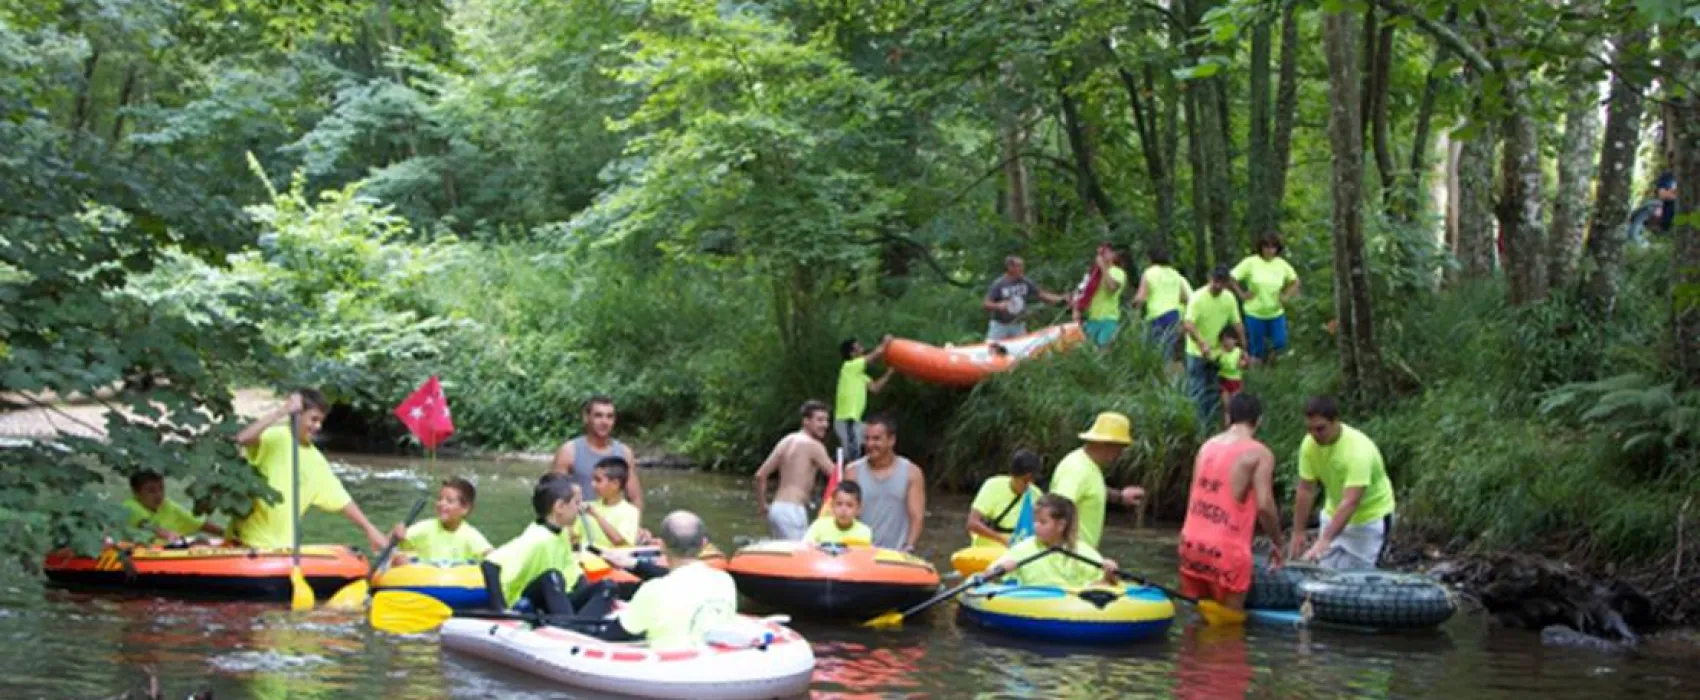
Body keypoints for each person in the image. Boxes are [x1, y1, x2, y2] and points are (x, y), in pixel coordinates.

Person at [231, 390, 387, 552]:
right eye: (313, 419)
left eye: (321, 421)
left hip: (283, 547)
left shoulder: (316, 460)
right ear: (298, 415)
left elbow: (343, 500)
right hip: (249, 542)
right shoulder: (273, 437)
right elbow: (242, 438)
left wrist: (369, 529)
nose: (318, 426)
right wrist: (283, 411)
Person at [1177, 393, 1285, 615]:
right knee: (1228, 625)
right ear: (1259, 420)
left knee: (1196, 618)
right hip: (1226, 550)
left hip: (1191, 544)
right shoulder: (1259, 453)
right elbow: (1264, 505)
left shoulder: (1206, 447)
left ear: (1228, 417)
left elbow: (1193, 495)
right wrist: (1277, 541)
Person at [482, 474, 616, 624]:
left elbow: (576, 577)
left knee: (607, 586)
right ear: (560, 507)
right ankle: (570, 626)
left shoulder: (562, 533)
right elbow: (489, 564)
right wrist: (501, 610)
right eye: (576, 503)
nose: (579, 509)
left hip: (560, 600)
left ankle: (583, 626)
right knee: (552, 577)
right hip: (529, 604)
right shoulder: (535, 538)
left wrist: (590, 595)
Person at [595, 511, 738, 650]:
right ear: (704, 544)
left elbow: (609, 638)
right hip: (712, 659)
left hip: (669, 663)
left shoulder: (653, 590)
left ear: (661, 545)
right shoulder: (725, 581)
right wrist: (634, 564)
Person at [1287, 396, 1398, 570]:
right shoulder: (1309, 445)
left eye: (1320, 429)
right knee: (1323, 574)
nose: (1315, 435)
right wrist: (1298, 531)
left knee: (1363, 578)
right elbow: (1306, 489)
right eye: (1310, 429)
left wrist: (1325, 540)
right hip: (1333, 512)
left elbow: (1351, 500)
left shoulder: (1358, 450)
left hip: (1369, 519)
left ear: (1335, 422)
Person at [1050, 412, 1147, 550]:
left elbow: (1091, 489)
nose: (1121, 453)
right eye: (1120, 447)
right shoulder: (1077, 469)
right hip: (1070, 555)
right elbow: (1057, 510)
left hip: (1081, 554)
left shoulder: (1089, 465)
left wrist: (1120, 497)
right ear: (1106, 444)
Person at [983, 494, 1119, 588]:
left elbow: (1101, 586)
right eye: (1035, 521)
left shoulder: (1083, 551)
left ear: (1060, 525)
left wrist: (1109, 576)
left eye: (1043, 522)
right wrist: (1000, 570)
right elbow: (986, 576)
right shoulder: (1023, 549)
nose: (1036, 526)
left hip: (1073, 608)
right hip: (1035, 605)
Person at [753, 400, 839, 540]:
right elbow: (837, 476)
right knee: (800, 551)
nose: (825, 425)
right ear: (806, 421)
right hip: (793, 510)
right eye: (819, 420)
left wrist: (762, 505)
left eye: (826, 420)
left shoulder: (786, 441)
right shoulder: (814, 445)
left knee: (782, 551)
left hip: (776, 509)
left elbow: (760, 475)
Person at [843, 415, 925, 552]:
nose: (870, 444)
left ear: (891, 440)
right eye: (867, 438)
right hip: (860, 552)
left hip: (897, 552)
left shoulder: (912, 473)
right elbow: (844, 513)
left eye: (876, 439)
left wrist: (909, 546)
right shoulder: (852, 472)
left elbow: (916, 517)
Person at [552, 395, 643, 512]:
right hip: (580, 519)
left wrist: (634, 522)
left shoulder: (624, 453)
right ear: (586, 418)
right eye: (598, 416)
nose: (604, 422)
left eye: (609, 416)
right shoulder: (569, 451)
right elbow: (554, 496)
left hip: (613, 521)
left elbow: (635, 498)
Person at [1183, 266, 1247, 429]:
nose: (1218, 285)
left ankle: (1210, 426)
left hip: (1217, 353)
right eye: (1216, 281)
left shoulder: (1229, 299)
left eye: (1222, 282)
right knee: (1197, 390)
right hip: (1196, 352)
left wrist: (1244, 348)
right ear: (1209, 278)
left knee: (1212, 391)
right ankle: (1197, 426)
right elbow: (1188, 324)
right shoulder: (1198, 298)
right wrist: (1201, 343)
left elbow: (1237, 323)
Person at [1230, 233, 1300, 365]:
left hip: (1275, 312)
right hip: (1255, 312)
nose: (1269, 250)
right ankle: (1257, 371)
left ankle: (1273, 367)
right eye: (1266, 246)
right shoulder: (1250, 262)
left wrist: (1286, 296)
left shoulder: (1281, 264)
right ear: (1261, 247)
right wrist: (1242, 294)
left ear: (1277, 249)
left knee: (1280, 342)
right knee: (1257, 348)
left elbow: (1295, 281)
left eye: (1273, 247)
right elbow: (1232, 277)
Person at [391, 477, 493, 562]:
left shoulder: (471, 536)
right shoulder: (425, 527)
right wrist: (395, 535)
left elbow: (493, 558)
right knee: (400, 560)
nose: (441, 504)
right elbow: (387, 543)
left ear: (465, 509)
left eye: (449, 501)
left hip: (456, 579)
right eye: (440, 499)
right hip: (424, 577)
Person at [965, 449, 1044, 548]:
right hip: (990, 547)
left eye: (1032, 480)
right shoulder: (992, 486)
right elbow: (972, 523)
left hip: (1020, 548)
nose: (1028, 484)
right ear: (1013, 475)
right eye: (1025, 480)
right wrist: (1004, 540)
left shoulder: (1036, 495)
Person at [835, 336, 894, 462]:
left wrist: (890, 372)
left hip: (855, 421)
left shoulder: (861, 376)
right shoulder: (849, 366)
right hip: (847, 419)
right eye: (859, 347)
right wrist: (886, 342)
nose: (862, 349)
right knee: (853, 455)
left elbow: (875, 388)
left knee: (874, 439)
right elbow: (875, 354)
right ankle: (839, 470)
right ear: (852, 354)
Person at [123, 470, 224, 543]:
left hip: (168, 554)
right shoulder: (129, 506)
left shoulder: (167, 505)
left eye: (161, 488)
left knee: (201, 541)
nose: (159, 495)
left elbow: (200, 524)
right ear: (136, 492)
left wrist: (227, 534)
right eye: (151, 491)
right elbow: (145, 524)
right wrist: (168, 535)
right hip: (141, 555)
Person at [1131, 246, 1192, 364]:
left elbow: (1140, 298)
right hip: (1173, 315)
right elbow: (1184, 297)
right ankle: (1166, 370)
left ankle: (1158, 372)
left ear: (1150, 259)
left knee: (1156, 350)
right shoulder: (1175, 274)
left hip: (1156, 315)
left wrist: (1133, 305)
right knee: (1168, 348)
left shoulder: (1149, 273)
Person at [984, 255, 1066, 342]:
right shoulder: (999, 284)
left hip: (1018, 325)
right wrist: (998, 305)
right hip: (1000, 325)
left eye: (1022, 266)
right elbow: (986, 304)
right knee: (992, 347)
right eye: (1019, 266)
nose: (1022, 269)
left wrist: (1061, 299)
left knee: (1022, 347)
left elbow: (1041, 294)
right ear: (1010, 267)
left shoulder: (1025, 282)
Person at [579, 458, 646, 549]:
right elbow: (573, 537)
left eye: (598, 480)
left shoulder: (630, 512)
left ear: (615, 484)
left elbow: (620, 542)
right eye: (593, 479)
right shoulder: (586, 506)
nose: (593, 484)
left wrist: (596, 515)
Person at [1076, 244, 1127, 347]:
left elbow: (1112, 288)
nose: (1101, 256)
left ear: (1113, 255)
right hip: (1092, 318)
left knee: (1103, 348)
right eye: (1099, 253)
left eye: (1105, 252)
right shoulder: (1094, 274)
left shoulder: (1118, 272)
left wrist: (1103, 267)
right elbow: (1082, 292)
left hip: (1108, 318)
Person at [804, 481, 873, 546]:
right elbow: (804, 547)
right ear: (832, 506)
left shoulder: (864, 532)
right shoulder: (819, 526)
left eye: (849, 505)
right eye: (839, 504)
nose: (843, 509)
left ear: (858, 509)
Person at [1212, 329, 1248, 428]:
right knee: (1226, 405)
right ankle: (1227, 425)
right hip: (1224, 380)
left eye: (1229, 339)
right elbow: (1213, 359)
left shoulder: (1239, 352)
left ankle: (1237, 423)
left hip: (1236, 381)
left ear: (1235, 340)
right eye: (1223, 340)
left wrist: (1243, 363)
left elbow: (1246, 362)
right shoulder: (1220, 352)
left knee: (1236, 403)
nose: (1226, 342)